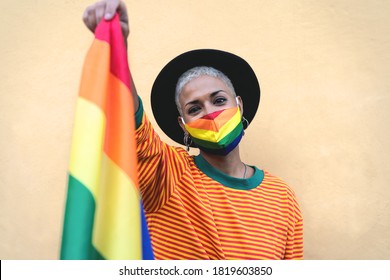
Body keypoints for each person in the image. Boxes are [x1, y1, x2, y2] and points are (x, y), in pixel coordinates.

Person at [83, 0, 303, 260]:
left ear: (239, 105)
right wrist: (117, 45)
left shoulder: (282, 197)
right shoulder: (168, 174)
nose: (210, 112)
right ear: (183, 125)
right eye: (194, 109)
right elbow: (133, 129)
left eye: (219, 100)